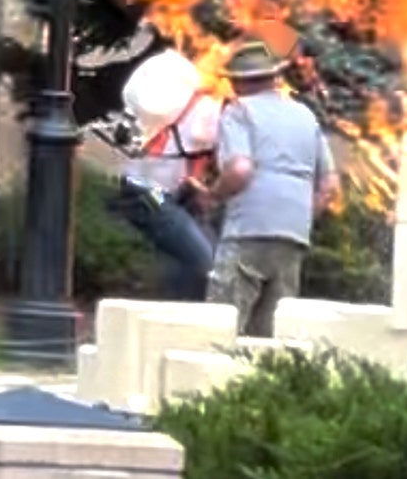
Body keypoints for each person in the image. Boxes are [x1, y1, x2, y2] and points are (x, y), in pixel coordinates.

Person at [203, 41, 339, 337]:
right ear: (274, 76)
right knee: (270, 336)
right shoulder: (305, 115)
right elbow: (329, 187)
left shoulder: (239, 112)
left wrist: (211, 196)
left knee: (222, 328)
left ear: (238, 81)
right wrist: (301, 214)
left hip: (248, 229)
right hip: (293, 234)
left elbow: (239, 170)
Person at [114, 47, 220, 300]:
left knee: (197, 261)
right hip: (154, 197)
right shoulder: (204, 110)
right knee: (207, 262)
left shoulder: (169, 102)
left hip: (162, 192)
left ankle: (178, 315)